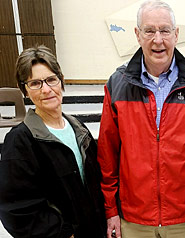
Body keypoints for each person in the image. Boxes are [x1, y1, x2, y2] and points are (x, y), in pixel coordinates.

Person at [97, 1, 185, 237]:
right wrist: (111, 209)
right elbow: (107, 154)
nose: (157, 39)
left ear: (176, 34)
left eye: (164, 30)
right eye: (149, 30)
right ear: (137, 34)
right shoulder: (117, 84)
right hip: (134, 221)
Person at [0, 45, 106, 237]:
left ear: (61, 81)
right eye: (35, 83)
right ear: (24, 89)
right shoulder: (20, 141)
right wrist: (65, 234)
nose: (46, 89)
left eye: (51, 80)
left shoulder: (78, 129)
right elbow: (15, 210)